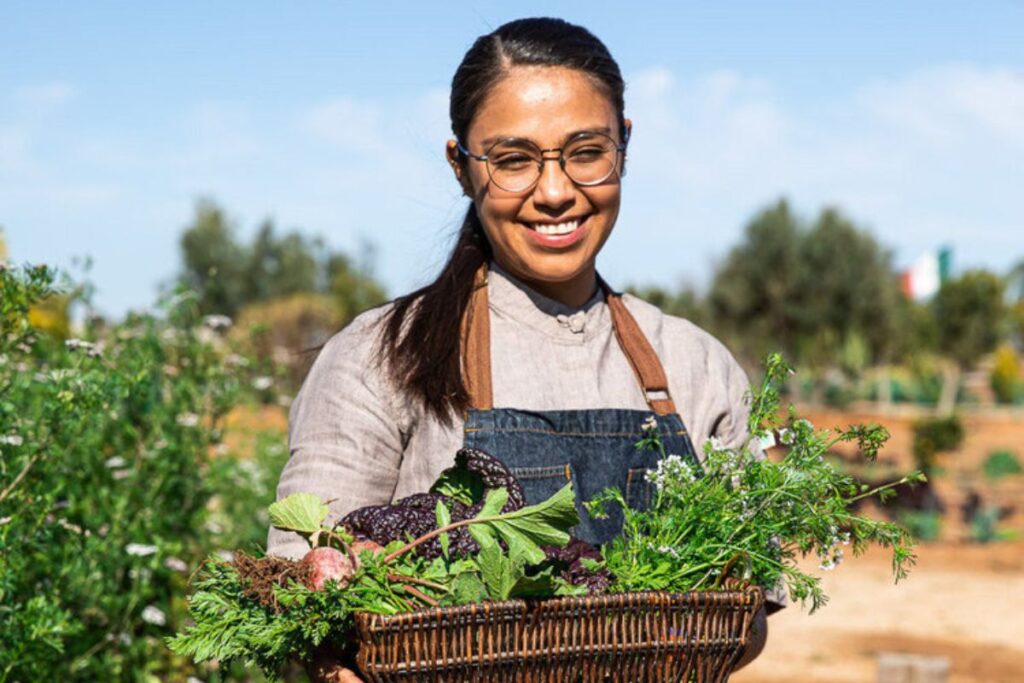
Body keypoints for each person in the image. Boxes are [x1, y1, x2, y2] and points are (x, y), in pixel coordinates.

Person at [268, 17, 777, 681]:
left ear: (623, 146)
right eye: (513, 160)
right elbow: (306, 603)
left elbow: (748, 616)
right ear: (462, 166)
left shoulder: (694, 364)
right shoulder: (379, 358)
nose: (556, 190)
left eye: (585, 151)